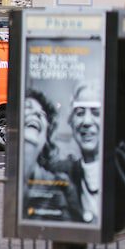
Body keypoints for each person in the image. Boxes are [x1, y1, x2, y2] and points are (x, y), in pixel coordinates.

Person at [20, 89, 80, 222]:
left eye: (42, 114)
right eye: (28, 107)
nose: (36, 114)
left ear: (46, 138)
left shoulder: (61, 186)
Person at [55, 83, 102, 225]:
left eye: (95, 112)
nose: (86, 122)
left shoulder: (123, 171)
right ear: (71, 121)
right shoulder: (62, 174)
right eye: (80, 113)